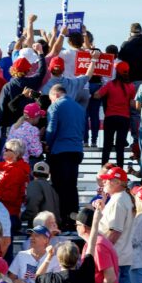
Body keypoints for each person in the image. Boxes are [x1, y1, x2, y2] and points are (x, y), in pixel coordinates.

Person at [35, 217, 98, 283]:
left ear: (59, 260)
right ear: (77, 259)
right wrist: (96, 219)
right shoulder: (85, 276)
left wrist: (49, 257)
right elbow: (92, 245)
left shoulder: (49, 280)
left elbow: (38, 277)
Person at [46, 83, 85, 227]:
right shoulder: (80, 108)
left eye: (51, 99)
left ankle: (61, 219)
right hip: (76, 150)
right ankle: (73, 218)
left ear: (55, 95)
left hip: (60, 151)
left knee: (59, 187)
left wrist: (47, 144)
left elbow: (51, 128)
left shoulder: (55, 106)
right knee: (72, 186)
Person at [98, 166, 135, 283]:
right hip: (120, 256)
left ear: (117, 182)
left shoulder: (118, 200)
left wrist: (101, 252)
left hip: (116, 258)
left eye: (108, 180)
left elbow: (114, 233)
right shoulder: (120, 198)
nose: (104, 183)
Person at [0, 138, 30, 230]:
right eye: (5, 149)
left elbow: (11, 196)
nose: (4, 151)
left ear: (16, 153)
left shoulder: (17, 171)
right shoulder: (5, 166)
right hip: (2, 212)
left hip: (9, 214)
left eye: (7, 150)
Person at [93, 61, 135, 167]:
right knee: (120, 147)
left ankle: (104, 169)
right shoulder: (131, 86)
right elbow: (132, 102)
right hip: (124, 118)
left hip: (110, 117)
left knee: (107, 145)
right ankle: (120, 170)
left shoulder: (110, 84)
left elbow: (97, 95)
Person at [23, 162, 61, 226]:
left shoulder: (34, 184)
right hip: (52, 226)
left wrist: (22, 216)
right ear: (48, 174)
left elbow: (32, 205)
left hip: (40, 225)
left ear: (33, 173)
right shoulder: (52, 188)